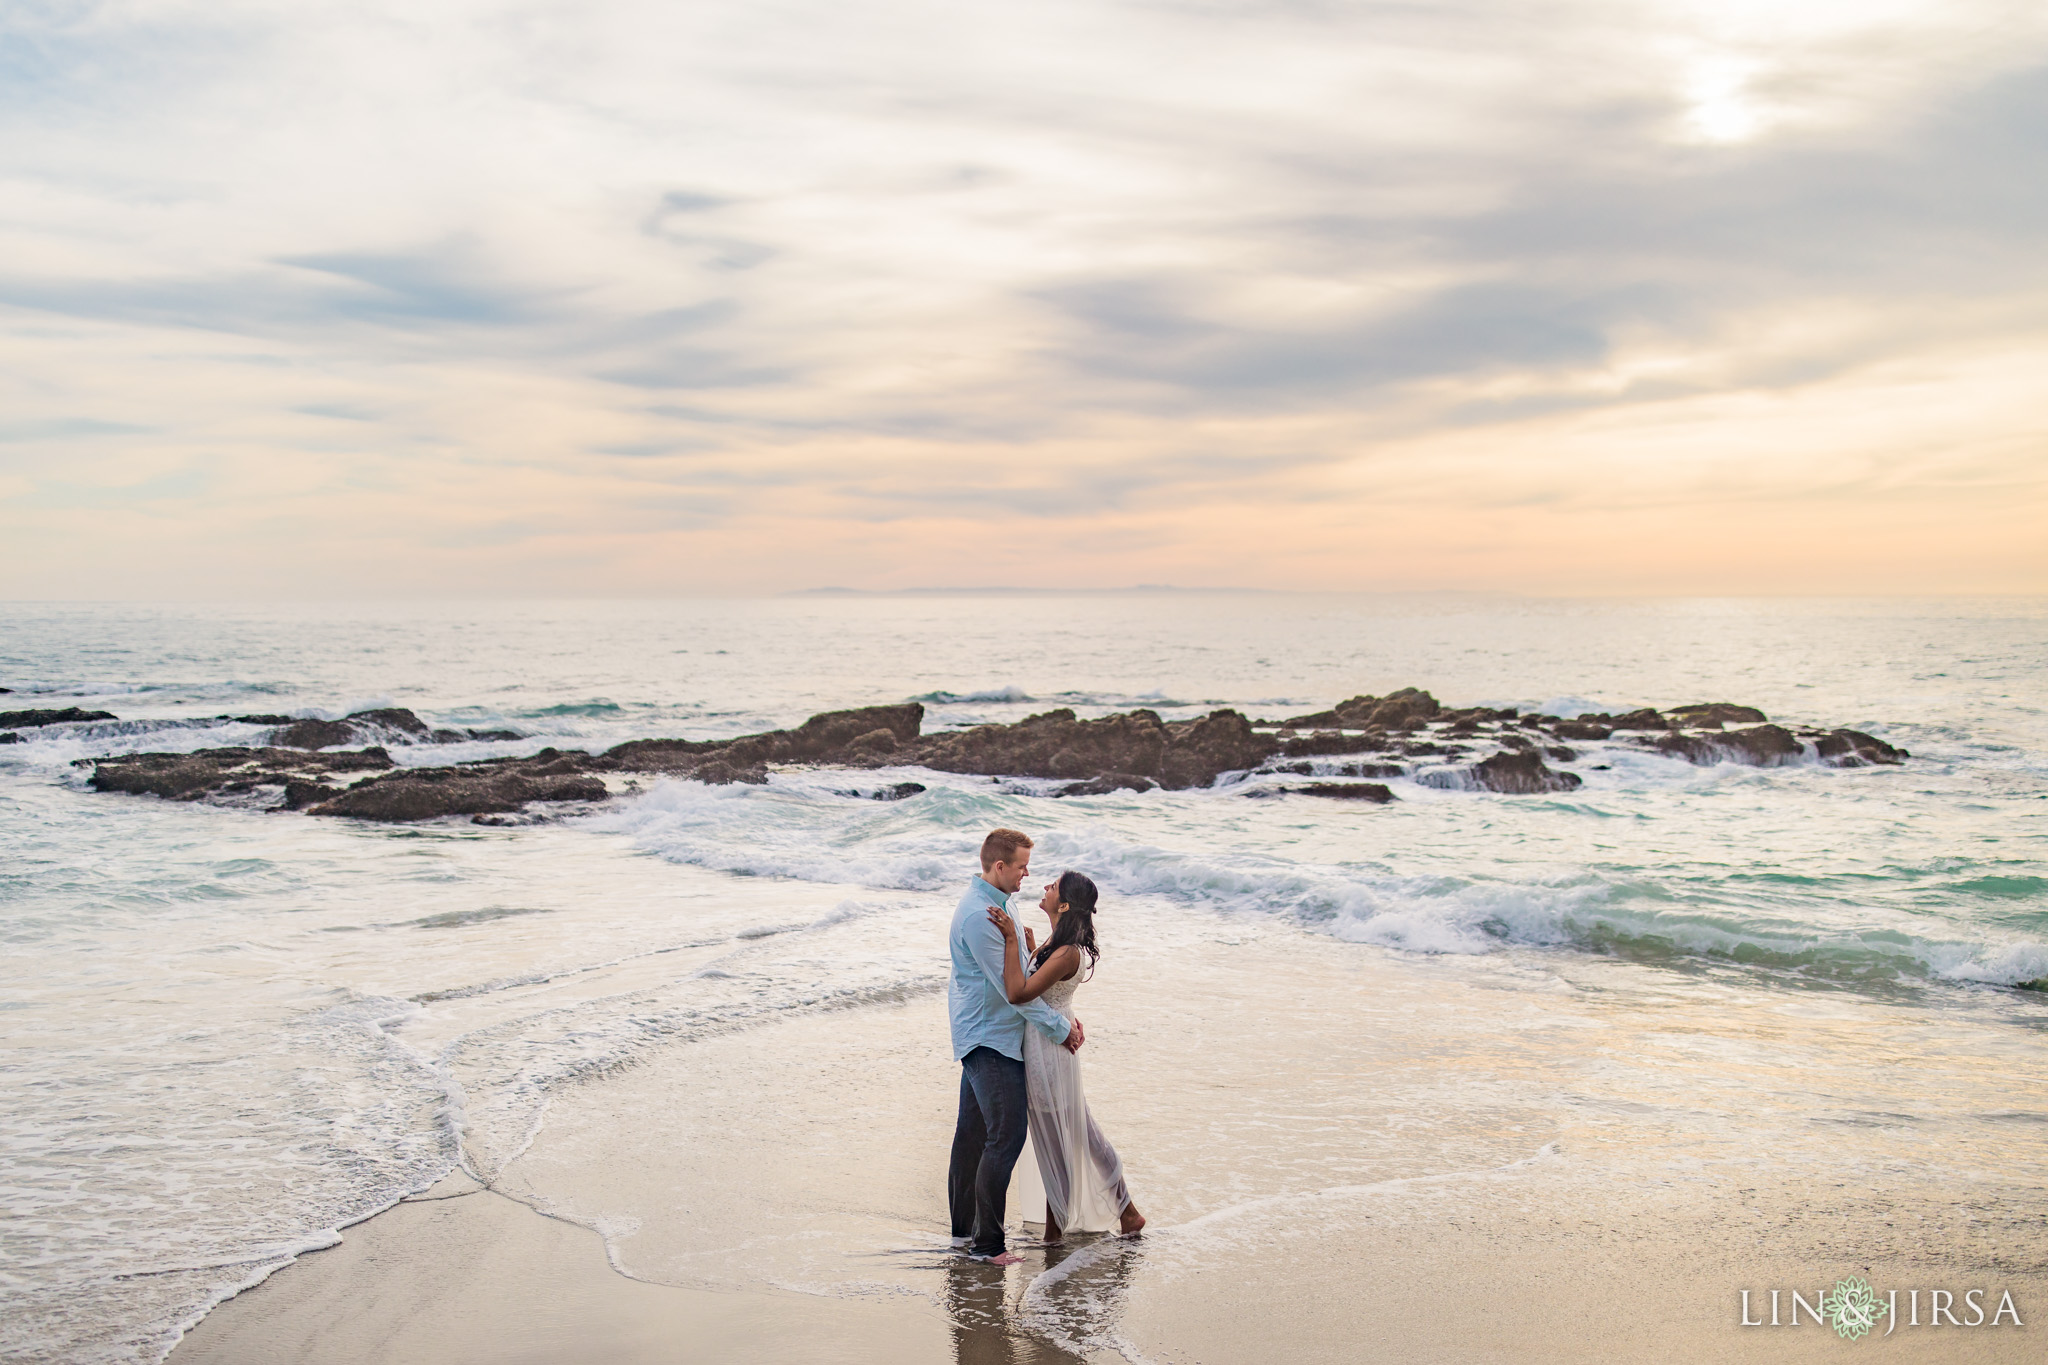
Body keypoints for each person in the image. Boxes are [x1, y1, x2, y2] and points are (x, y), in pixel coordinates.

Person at [987, 870, 1146, 1241]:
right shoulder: (1055, 945)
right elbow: (1051, 996)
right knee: (1082, 1133)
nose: (1044, 887)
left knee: (1058, 1141)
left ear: (1063, 905)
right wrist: (1027, 947)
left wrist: (1012, 940)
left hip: (1049, 1054)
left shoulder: (1065, 953)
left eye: (1053, 886)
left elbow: (1020, 993)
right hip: (1051, 1044)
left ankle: (1055, 1234)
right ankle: (1127, 1213)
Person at [948, 828, 1081, 1265]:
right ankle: (987, 1246)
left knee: (973, 1137)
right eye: (1021, 865)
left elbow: (1021, 973)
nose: (1027, 873)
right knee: (1004, 1138)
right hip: (991, 1038)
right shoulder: (980, 916)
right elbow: (1013, 992)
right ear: (999, 866)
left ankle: (963, 1235)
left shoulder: (1002, 904)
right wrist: (1060, 1029)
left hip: (988, 1033)